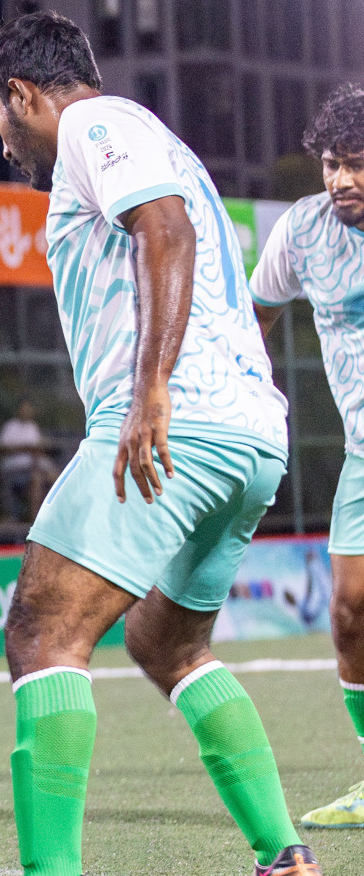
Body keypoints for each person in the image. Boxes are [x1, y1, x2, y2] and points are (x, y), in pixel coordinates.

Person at [0, 12, 328, 876]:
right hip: (245, 436)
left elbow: (166, 232)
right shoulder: (144, 136)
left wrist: (150, 391)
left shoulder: (97, 127)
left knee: (41, 627)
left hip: (174, 418)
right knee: (169, 645)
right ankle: (284, 859)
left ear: (26, 93)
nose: (3, 141)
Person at [249, 85, 364, 828]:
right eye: (332, 164)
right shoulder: (302, 231)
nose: (342, 180)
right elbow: (253, 311)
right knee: (351, 613)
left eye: (357, 164)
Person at [0, 399, 56, 523]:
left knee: (52, 477)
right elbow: (1, 449)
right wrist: (25, 448)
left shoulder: (33, 426)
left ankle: (51, 517)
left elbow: (37, 448)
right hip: (15, 468)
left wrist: (37, 449)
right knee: (37, 478)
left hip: (34, 467)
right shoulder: (10, 426)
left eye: (29, 408)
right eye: (24, 408)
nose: (27, 411)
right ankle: (36, 521)